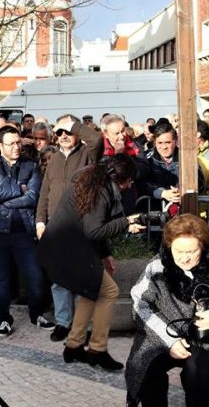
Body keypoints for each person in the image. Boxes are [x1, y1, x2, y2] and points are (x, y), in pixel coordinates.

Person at [125, 214, 209, 407]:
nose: (185, 258)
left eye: (191, 251)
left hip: (208, 339)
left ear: (203, 246)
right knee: (144, 366)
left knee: (198, 374)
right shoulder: (157, 267)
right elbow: (140, 304)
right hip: (165, 331)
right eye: (178, 251)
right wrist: (169, 341)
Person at [38, 154, 144, 370]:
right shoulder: (101, 190)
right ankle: (97, 350)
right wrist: (126, 222)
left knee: (92, 291)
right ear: (121, 179)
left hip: (65, 248)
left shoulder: (94, 182)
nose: (130, 185)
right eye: (130, 180)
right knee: (109, 291)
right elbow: (94, 230)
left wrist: (105, 254)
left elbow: (91, 223)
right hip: (69, 250)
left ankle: (74, 345)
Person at [0, 125, 53, 337]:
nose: (16, 147)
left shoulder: (30, 165)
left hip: (23, 230)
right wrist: (19, 189)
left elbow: (32, 197)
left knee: (35, 276)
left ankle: (36, 314)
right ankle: (4, 319)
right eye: (11, 143)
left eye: (18, 142)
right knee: (1, 279)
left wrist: (5, 201)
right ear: (0, 145)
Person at [35, 114, 103, 341]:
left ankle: (82, 325)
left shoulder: (88, 154)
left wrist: (72, 125)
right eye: (60, 132)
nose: (63, 136)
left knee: (82, 278)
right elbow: (45, 191)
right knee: (59, 278)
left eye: (68, 132)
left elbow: (96, 140)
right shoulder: (54, 158)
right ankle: (63, 322)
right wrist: (40, 221)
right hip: (56, 227)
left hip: (81, 225)